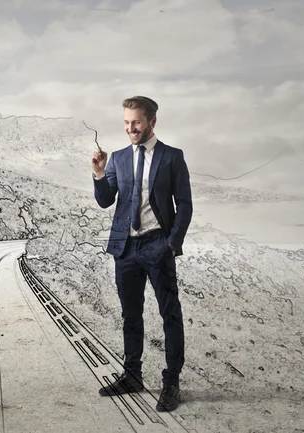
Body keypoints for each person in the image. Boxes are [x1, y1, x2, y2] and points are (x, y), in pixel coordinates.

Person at [91, 96, 193, 412]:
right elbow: (106, 200)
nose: (130, 128)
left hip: (157, 245)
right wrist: (98, 174)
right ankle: (132, 376)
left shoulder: (172, 157)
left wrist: (172, 244)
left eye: (135, 122)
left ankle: (171, 382)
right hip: (126, 248)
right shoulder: (119, 159)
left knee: (170, 314)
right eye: (126, 123)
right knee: (130, 315)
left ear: (151, 121)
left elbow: (185, 205)